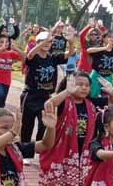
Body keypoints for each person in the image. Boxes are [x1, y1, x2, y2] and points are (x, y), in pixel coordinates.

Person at [39, 73, 113, 186]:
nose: (83, 88)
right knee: (55, 182)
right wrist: (66, 92)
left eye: (86, 85)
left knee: (82, 185)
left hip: (84, 154)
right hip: (60, 152)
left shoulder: (92, 104)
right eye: (79, 84)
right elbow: (49, 104)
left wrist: (112, 92)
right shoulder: (64, 102)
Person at [20, 32, 73, 164]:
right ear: (38, 43)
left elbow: (69, 54)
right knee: (27, 125)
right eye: (43, 41)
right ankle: (26, 153)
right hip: (30, 95)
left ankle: (39, 150)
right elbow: (30, 54)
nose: (46, 44)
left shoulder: (53, 57)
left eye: (49, 42)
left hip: (45, 97)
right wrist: (44, 41)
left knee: (44, 124)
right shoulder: (33, 58)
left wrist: (71, 42)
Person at [0, 34, 25, 109]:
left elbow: (24, 56)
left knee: (2, 103)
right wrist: (0, 49)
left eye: (7, 42)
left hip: (6, 81)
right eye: (2, 42)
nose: (5, 44)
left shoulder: (10, 53)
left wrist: (16, 48)